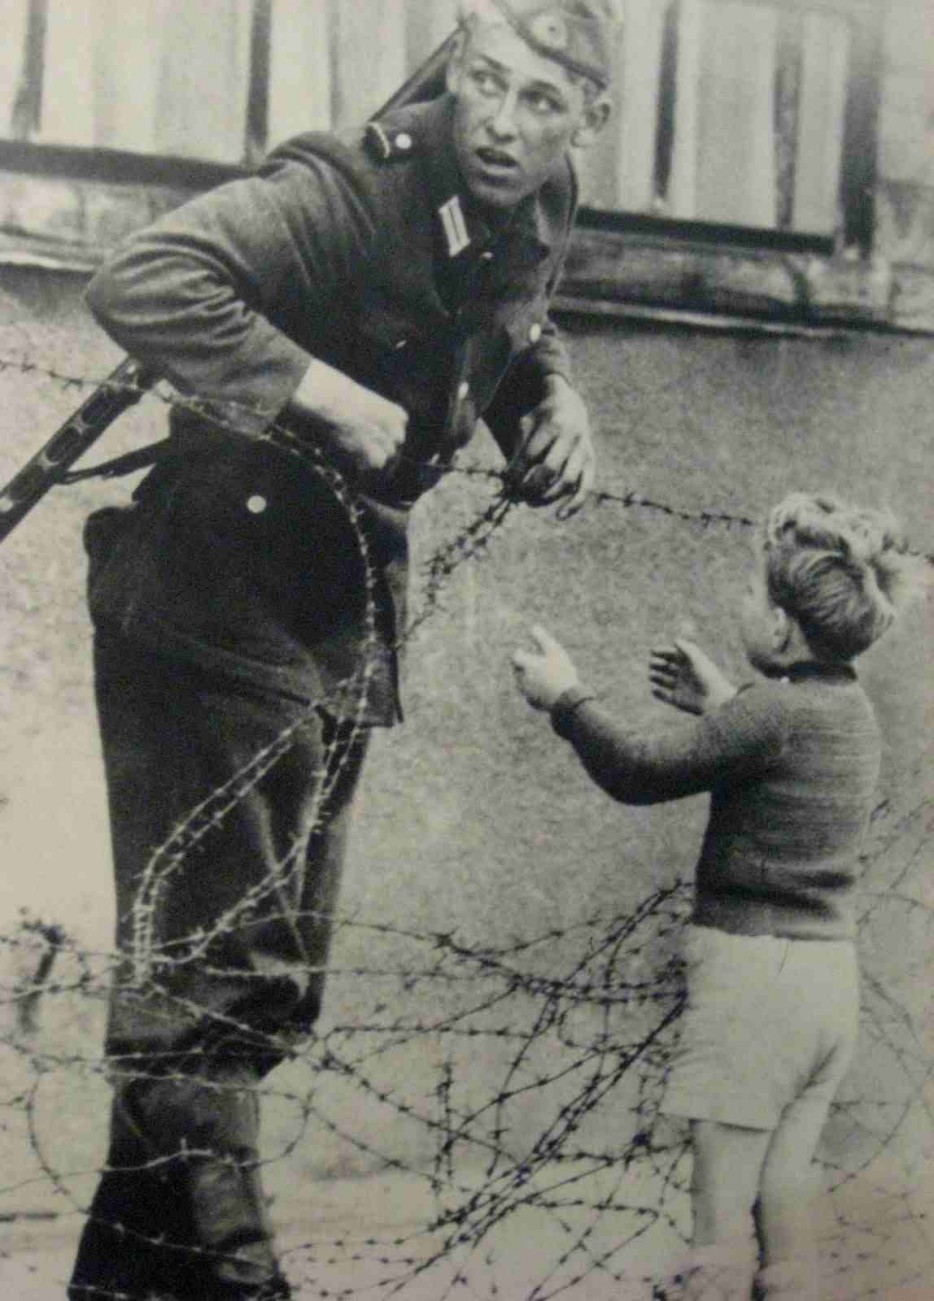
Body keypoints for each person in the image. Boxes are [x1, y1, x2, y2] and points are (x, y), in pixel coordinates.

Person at [67, 3, 617, 1299]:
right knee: (216, 989)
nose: (499, 120)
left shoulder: (539, 204)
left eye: (541, 101)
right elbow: (140, 278)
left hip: (335, 625)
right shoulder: (348, 185)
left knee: (248, 993)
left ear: (585, 122)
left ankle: (119, 1285)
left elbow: (516, 314)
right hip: (213, 606)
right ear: (455, 73)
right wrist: (318, 392)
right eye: (483, 81)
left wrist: (550, 400)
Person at [512, 492, 920, 1301]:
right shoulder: (850, 712)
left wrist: (566, 698)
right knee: (785, 1190)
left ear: (779, 627)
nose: (741, 602)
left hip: (753, 983)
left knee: (717, 1220)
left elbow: (638, 770)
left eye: (751, 594)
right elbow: (781, 752)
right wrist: (725, 705)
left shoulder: (769, 712)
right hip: (825, 983)